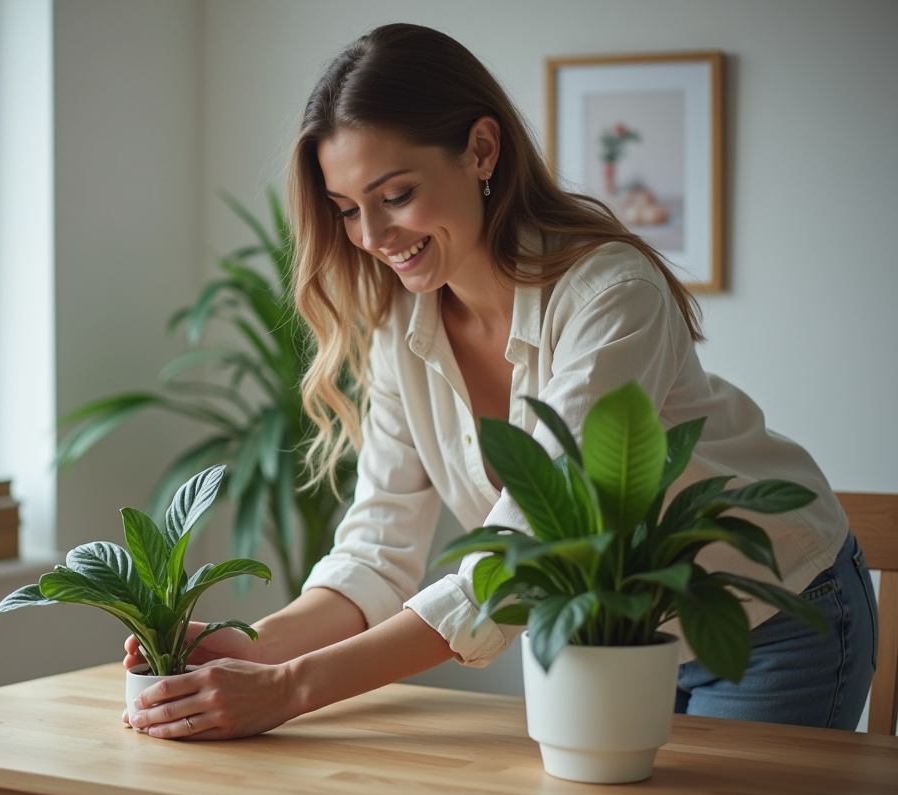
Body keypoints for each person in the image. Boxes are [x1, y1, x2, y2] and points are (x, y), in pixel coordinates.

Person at [123, 22, 879, 739]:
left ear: (482, 150)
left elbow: (538, 545)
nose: (373, 238)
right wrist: (251, 644)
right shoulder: (399, 328)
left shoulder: (609, 294)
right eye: (348, 210)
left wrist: (291, 689)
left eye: (395, 195)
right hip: (606, 639)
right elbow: (377, 550)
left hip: (767, 617)